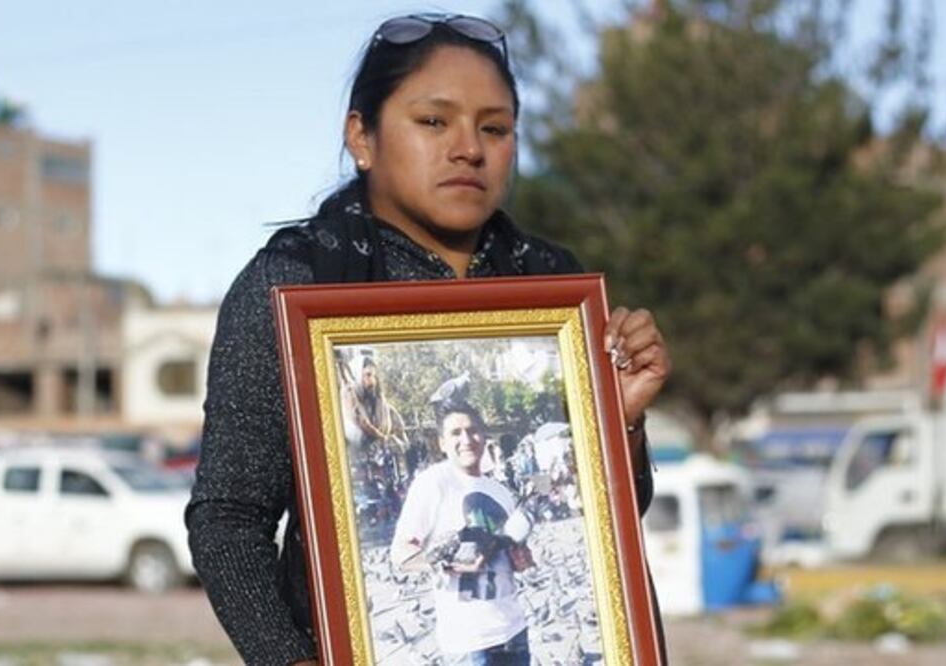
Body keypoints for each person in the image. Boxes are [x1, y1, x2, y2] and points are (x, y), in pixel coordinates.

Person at [186, 13, 672, 666]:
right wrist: (289, 658)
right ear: (362, 135)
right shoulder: (294, 284)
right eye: (434, 122)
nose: (469, 148)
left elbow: (606, 523)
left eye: (494, 128)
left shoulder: (550, 287)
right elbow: (228, 521)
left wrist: (622, 426)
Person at [390, 399, 533, 664]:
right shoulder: (432, 483)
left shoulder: (500, 491)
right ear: (442, 442)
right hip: (468, 644)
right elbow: (400, 554)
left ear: (484, 435)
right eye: (456, 433)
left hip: (513, 631)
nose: (466, 439)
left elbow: (514, 558)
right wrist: (450, 564)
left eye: (472, 430)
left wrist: (521, 558)